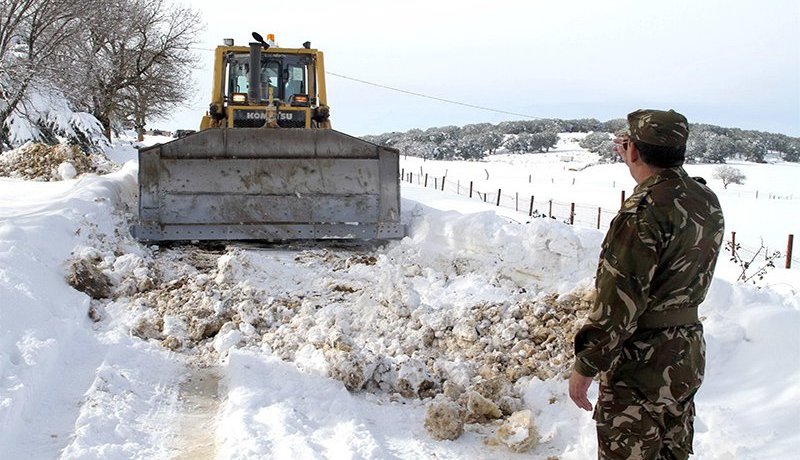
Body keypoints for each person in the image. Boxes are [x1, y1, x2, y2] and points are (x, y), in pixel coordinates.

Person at [568, 109, 725, 459]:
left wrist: (586, 366)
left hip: (641, 364)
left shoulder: (643, 212)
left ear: (634, 151)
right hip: (686, 352)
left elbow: (617, 303)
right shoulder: (705, 199)